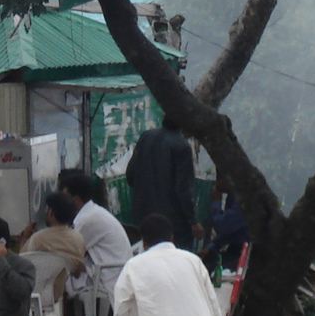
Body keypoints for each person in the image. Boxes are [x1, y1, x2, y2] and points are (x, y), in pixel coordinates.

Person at [57, 168, 132, 300]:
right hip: (112, 271)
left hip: (108, 276)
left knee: (57, 276)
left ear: (75, 199)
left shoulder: (87, 219)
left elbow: (66, 249)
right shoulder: (92, 212)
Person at [125, 119, 200, 249]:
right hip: (173, 223)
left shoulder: (146, 137)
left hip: (143, 217)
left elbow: (130, 174)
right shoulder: (182, 146)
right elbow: (183, 190)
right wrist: (193, 221)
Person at [19, 190, 87, 298]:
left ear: (50, 212)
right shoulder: (78, 238)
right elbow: (77, 271)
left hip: (35, 293)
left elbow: (22, 261)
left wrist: (25, 237)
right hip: (61, 293)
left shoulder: (39, 238)